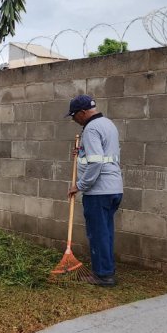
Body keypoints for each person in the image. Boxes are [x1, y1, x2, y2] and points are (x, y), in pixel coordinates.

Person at [66, 95, 123, 287]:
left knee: (97, 234)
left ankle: (103, 275)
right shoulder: (108, 124)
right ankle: (107, 270)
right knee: (105, 232)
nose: (74, 121)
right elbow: (103, 153)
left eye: (74, 116)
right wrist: (81, 151)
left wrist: (79, 185)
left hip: (98, 191)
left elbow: (96, 162)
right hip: (114, 188)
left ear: (82, 113)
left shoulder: (90, 129)